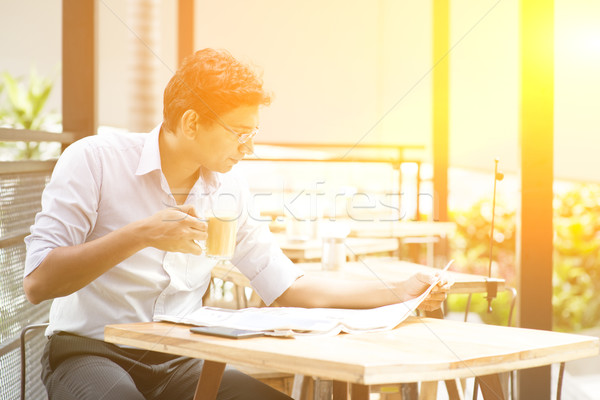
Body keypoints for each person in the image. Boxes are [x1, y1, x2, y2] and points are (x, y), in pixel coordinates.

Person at [24, 48, 451, 400]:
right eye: (240, 133)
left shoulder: (229, 189)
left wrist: (398, 291)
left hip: (182, 358)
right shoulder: (94, 160)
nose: (248, 148)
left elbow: (288, 287)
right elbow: (39, 281)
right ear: (192, 122)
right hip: (91, 352)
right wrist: (143, 234)